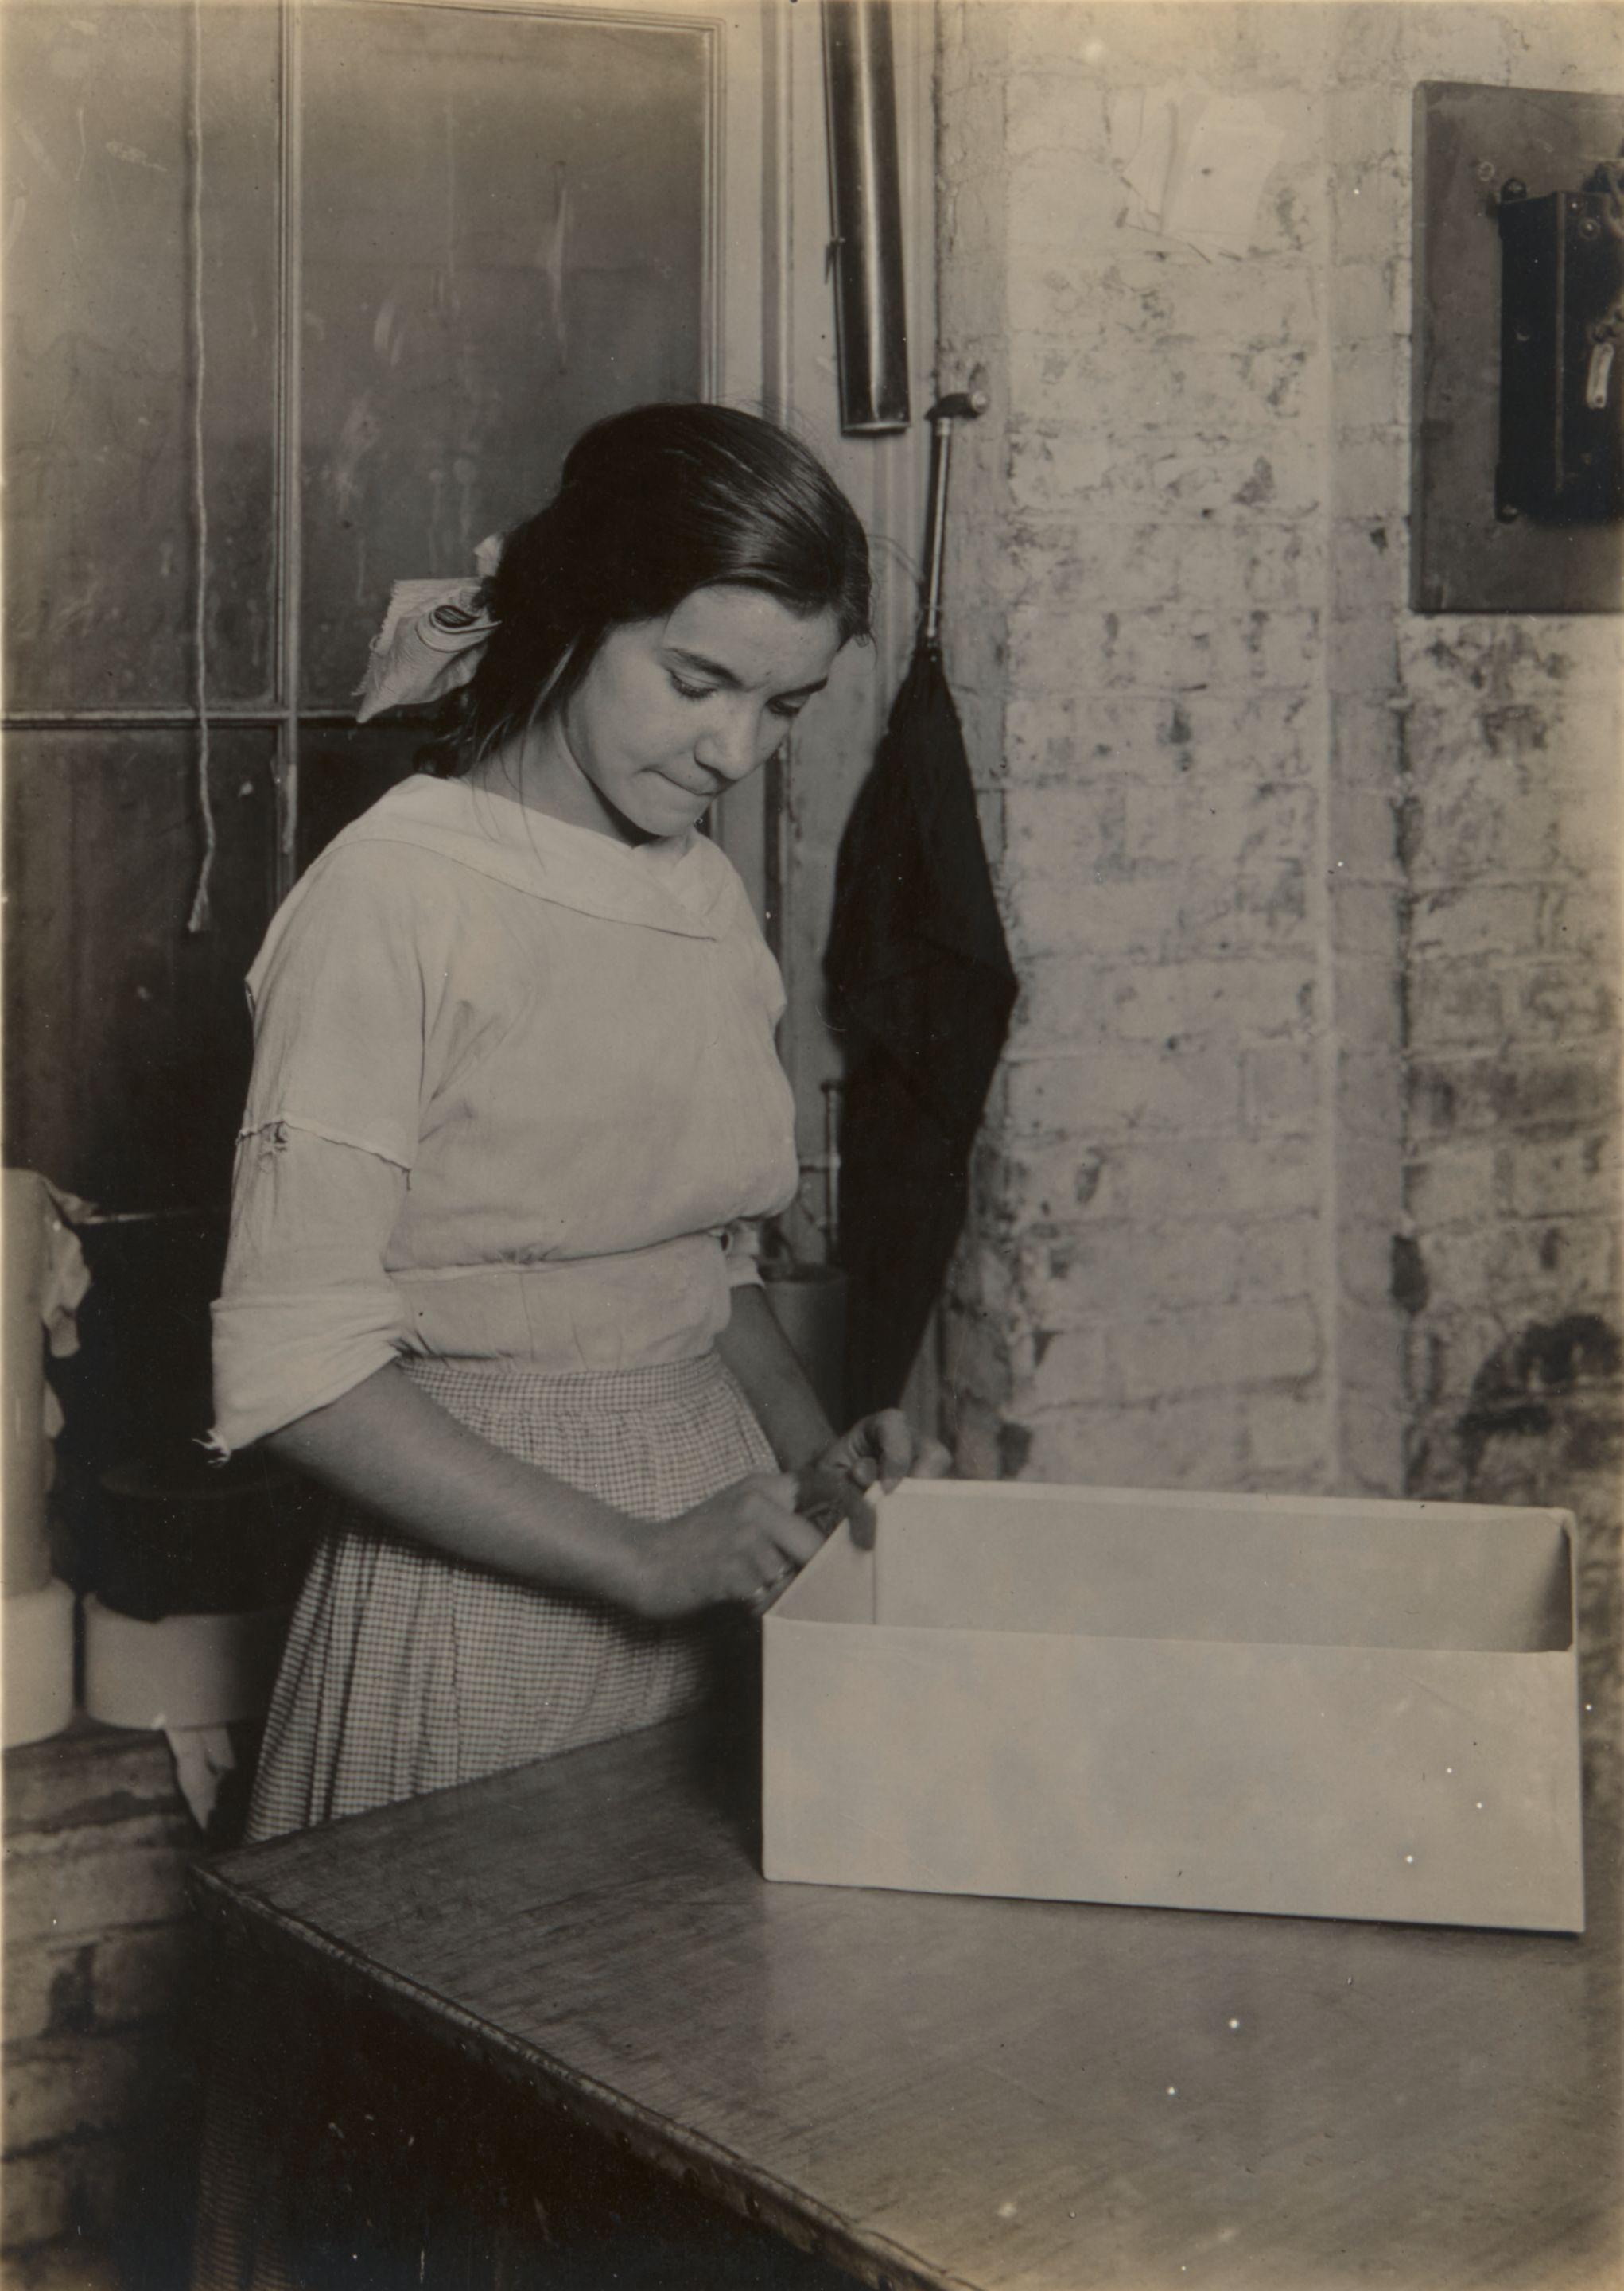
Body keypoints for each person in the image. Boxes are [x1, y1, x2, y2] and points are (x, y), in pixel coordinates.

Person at [194, 403, 949, 2288]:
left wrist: (807, 1473)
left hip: (701, 1631)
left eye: (780, 711)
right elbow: (294, 1378)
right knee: (472, 2215)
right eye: (697, 682)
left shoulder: (698, 898)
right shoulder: (394, 897)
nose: (735, 753)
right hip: (480, 1627)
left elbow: (700, 1280)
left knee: (687, 2205)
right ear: (571, 620)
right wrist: (638, 1556)